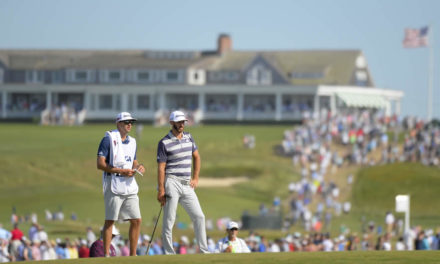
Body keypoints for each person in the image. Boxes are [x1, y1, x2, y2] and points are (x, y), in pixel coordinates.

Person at [156, 110, 209, 254]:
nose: (181, 124)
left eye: (183, 122)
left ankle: (204, 250)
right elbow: (161, 168)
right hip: (171, 181)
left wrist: (196, 177)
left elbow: (196, 157)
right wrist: (161, 189)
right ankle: (169, 252)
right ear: (171, 123)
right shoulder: (164, 142)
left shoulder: (189, 138)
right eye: (178, 122)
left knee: (199, 216)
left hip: (187, 184)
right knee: (169, 220)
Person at [97, 112, 146, 257]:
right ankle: (106, 255)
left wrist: (138, 167)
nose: (129, 124)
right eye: (126, 122)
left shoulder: (133, 142)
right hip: (113, 182)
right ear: (118, 124)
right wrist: (121, 171)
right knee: (110, 221)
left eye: (131, 122)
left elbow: (133, 161)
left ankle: (133, 255)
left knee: (136, 220)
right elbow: (100, 164)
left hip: (129, 184)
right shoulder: (108, 139)